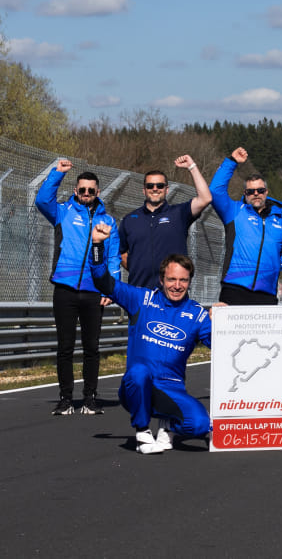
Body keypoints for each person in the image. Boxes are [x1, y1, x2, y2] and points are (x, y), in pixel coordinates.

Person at [88, 223, 212, 455]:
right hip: (136, 386)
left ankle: (166, 426)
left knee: (200, 425)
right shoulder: (141, 299)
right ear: (161, 279)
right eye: (172, 279)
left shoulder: (198, 315)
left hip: (171, 388)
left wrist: (224, 320)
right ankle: (143, 432)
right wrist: (97, 244)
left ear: (190, 281)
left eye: (183, 280)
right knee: (138, 371)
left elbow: (221, 344)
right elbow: (101, 280)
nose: (177, 286)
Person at [35, 159, 120, 416]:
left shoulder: (108, 221)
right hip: (65, 289)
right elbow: (41, 200)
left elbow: (114, 257)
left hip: (94, 291)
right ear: (75, 191)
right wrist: (56, 174)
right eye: (81, 190)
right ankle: (65, 399)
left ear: (98, 192)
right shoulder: (62, 212)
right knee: (65, 346)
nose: (86, 194)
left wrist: (110, 290)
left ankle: (90, 398)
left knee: (92, 347)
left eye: (90, 191)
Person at [209, 147, 282, 305]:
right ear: (245, 194)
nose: (256, 193)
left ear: (266, 192)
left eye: (260, 190)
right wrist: (232, 161)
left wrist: (272, 268)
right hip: (234, 287)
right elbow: (215, 191)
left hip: (267, 291)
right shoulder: (234, 211)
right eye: (250, 191)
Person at [119, 155, 213, 289]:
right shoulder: (129, 219)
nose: (155, 188)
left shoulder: (179, 213)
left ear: (167, 189)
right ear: (144, 190)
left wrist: (192, 167)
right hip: (139, 292)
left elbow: (205, 198)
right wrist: (136, 268)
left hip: (173, 292)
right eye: (150, 185)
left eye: (160, 185)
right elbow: (120, 252)